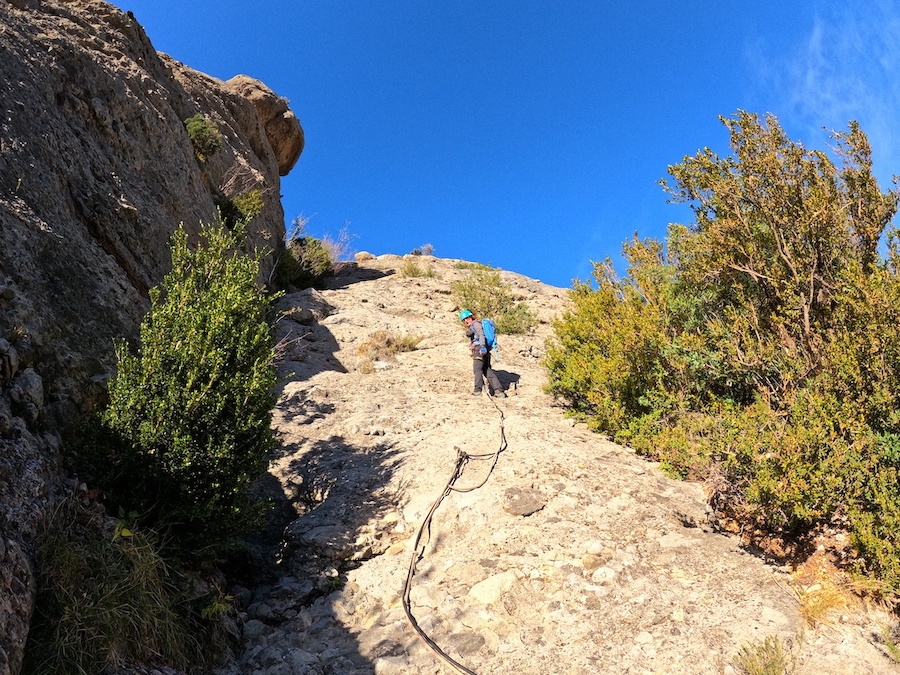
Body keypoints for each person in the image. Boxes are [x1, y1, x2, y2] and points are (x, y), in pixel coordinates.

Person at [459, 309, 506, 398]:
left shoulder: (476, 324)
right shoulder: (475, 325)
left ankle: (477, 390)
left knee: (477, 369)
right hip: (484, 350)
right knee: (486, 370)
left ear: (471, 317)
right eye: (464, 320)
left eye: (467, 318)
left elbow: (481, 334)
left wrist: (483, 346)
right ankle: (499, 391)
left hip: (479, 349)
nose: (465, 321)